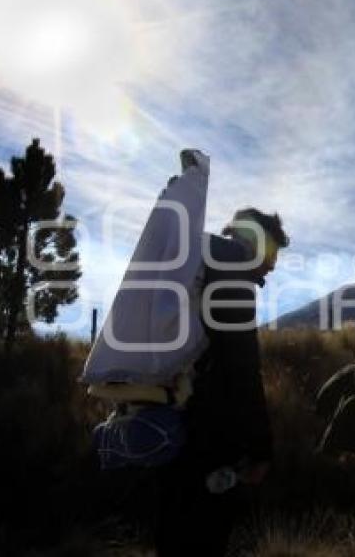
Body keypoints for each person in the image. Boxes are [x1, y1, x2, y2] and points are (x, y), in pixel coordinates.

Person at [154, 207, 290, 556]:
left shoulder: (202, 263)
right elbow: (241, 363)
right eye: (273, 252)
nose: (273, 265)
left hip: (167, 423)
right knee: (205, 536)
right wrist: (261, 448)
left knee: (172, 533)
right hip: (209, 437)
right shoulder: (232, 271)